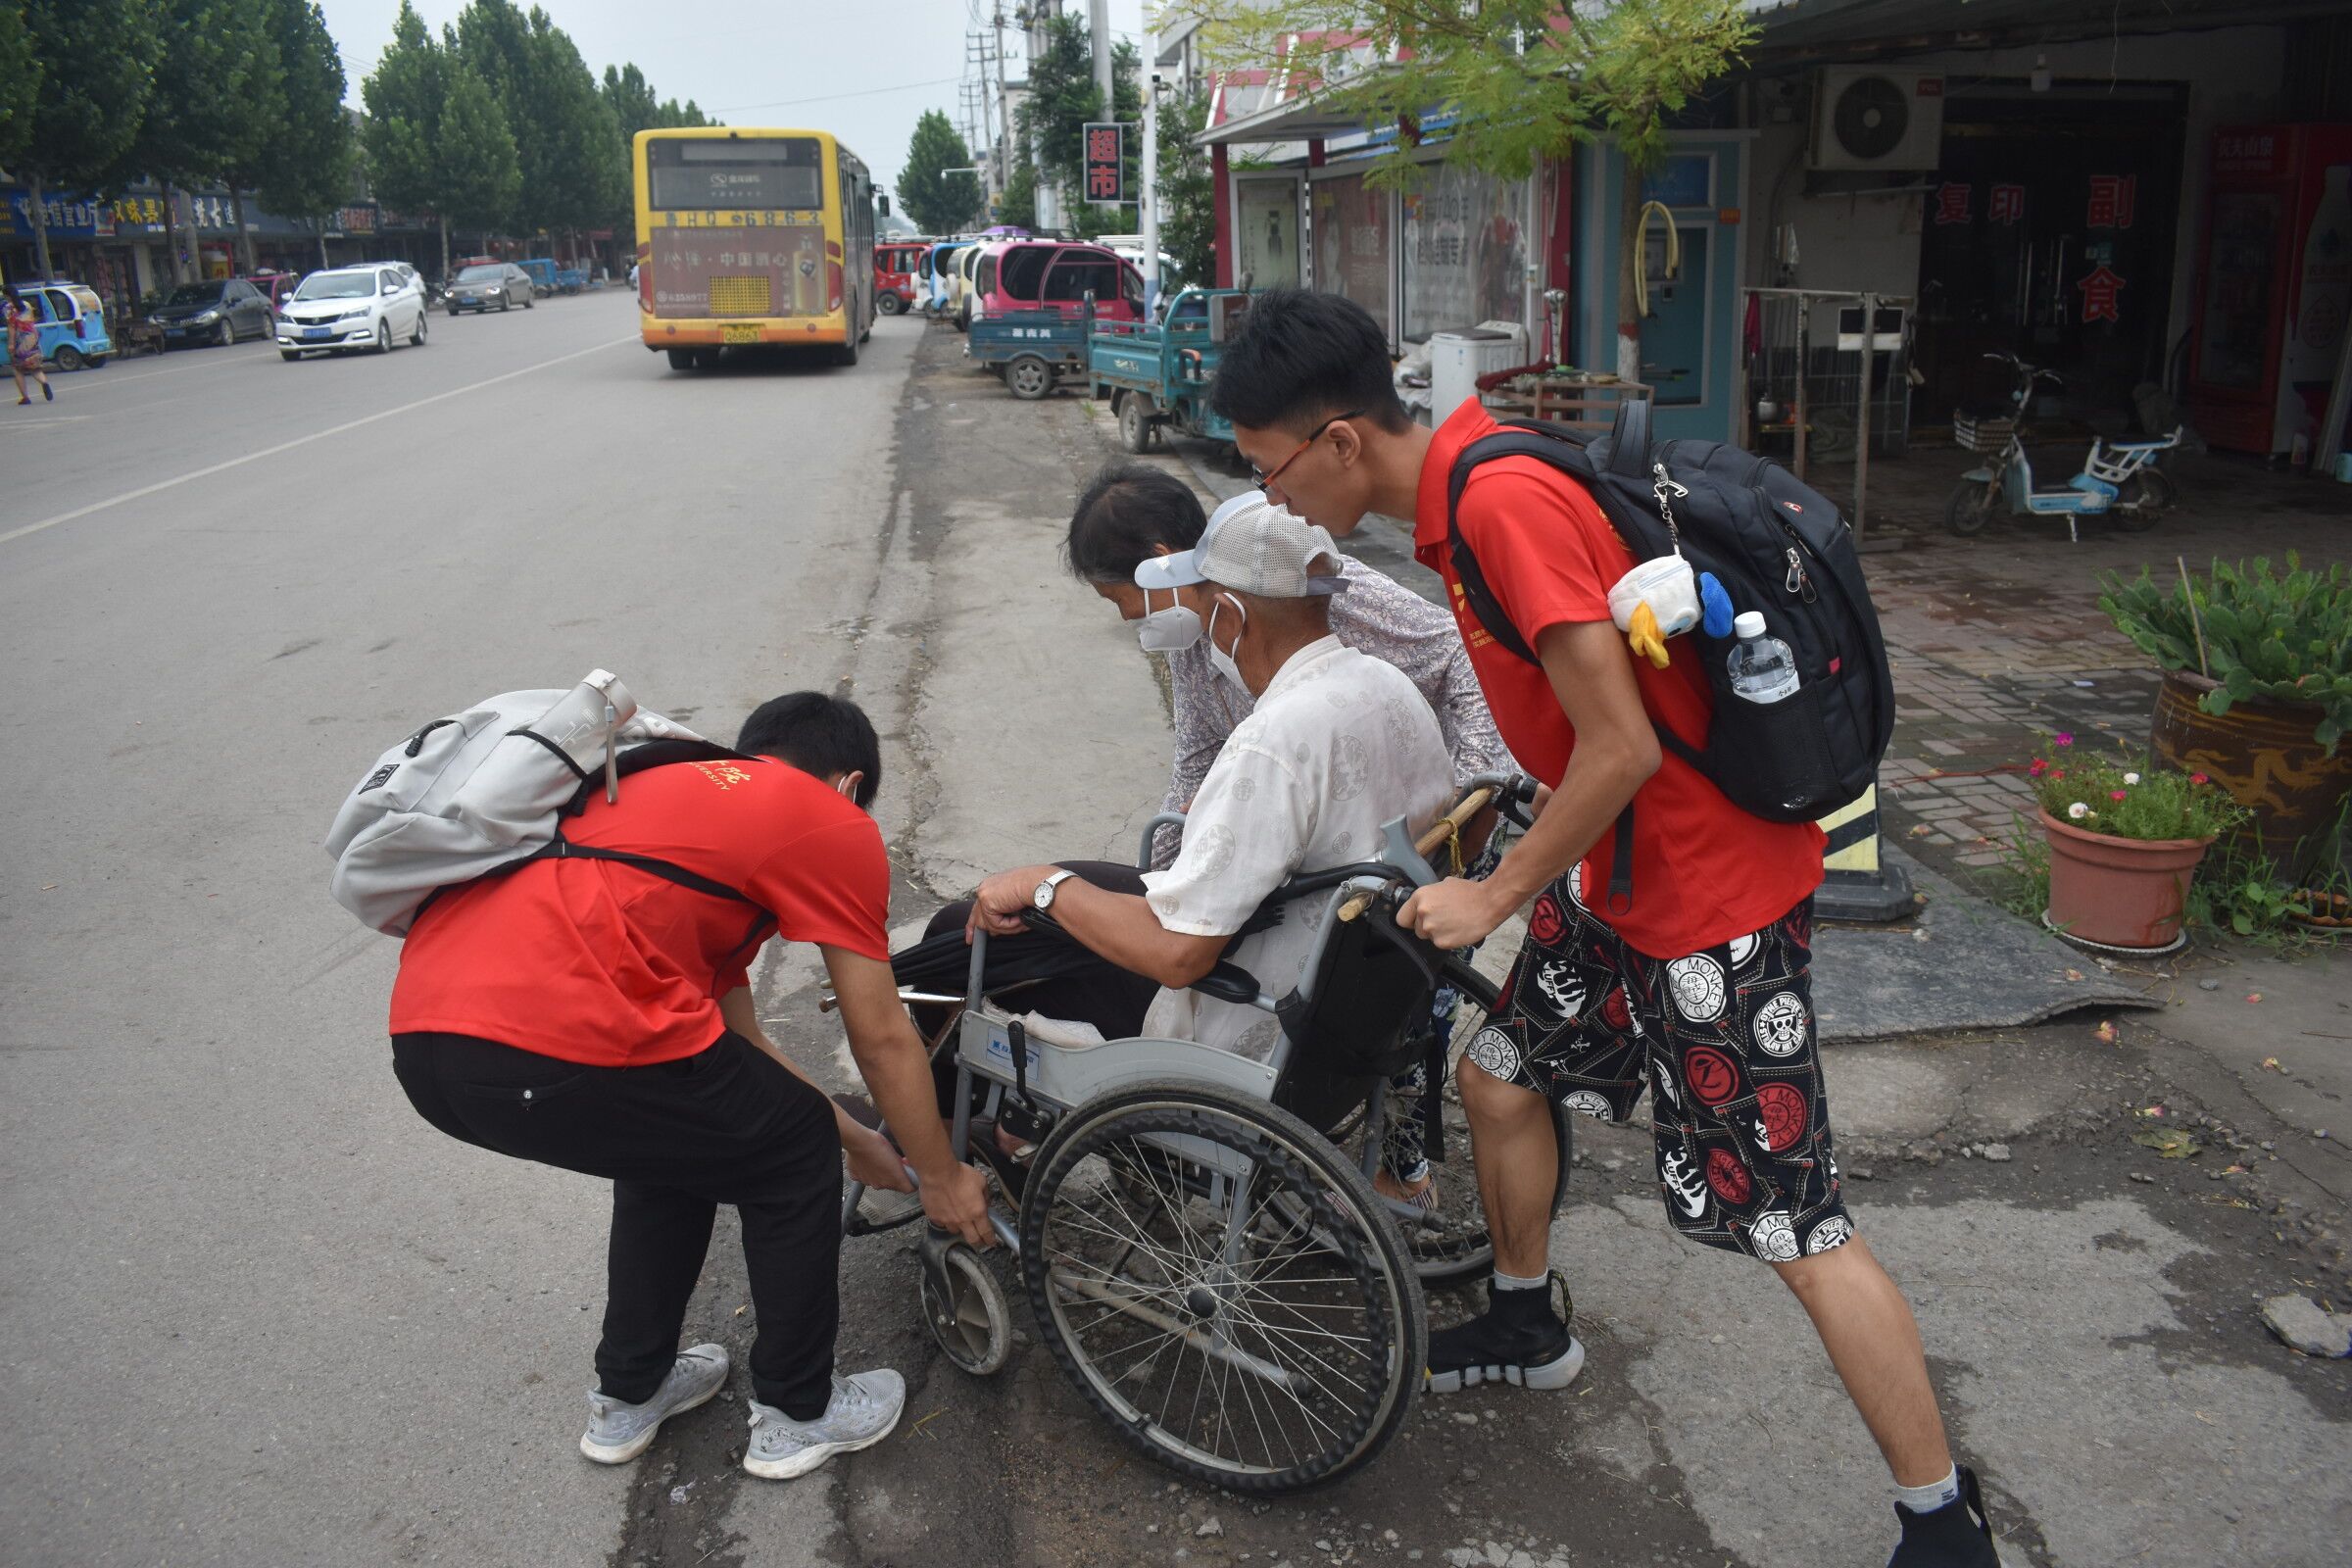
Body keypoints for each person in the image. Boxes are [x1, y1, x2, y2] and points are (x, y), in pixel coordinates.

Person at [1206, 289, 2002, 1568]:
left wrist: (1493, 893)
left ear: (1339, 439)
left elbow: (1622, 745)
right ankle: (1526, 1322)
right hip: (1622, 874)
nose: (1277, 501)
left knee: (1795, 1225)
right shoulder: (1463, 487)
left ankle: (1943, 1520)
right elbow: (1587, 718)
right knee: (1499, 1071)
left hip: (1708, 905)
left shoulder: (1497, 504)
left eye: (1270, 469)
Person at [387, 692, 993, 1484]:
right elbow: (880, 1038)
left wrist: (865, 1144)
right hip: (561, 1043)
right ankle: (799, 1412)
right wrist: (940, 1176)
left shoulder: (652, 794)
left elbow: (740, 1052)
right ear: (849, 785)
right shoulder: (825, 817)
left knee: (680, 1140)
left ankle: (629, 1392)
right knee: (788, 1150)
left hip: (429, 1048)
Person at [1066, 466, 1515, 1201]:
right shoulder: (1202, 629)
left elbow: (1460, 655)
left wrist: (1467, 804)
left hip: (1408, 824)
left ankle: (1401, 1171)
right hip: (1319, 832)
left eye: (1121, 601)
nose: (1126, 621)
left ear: (1159, 562)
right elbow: (1198, 757)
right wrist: (1172, 881)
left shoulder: (1295, 576)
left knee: (1400, 1003)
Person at [964, 497, 1455, 1065]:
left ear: (1230, 614)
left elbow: (1178, 954)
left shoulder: (1272, 741)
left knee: (969, 939)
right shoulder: (1390, 685)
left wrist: (1042, 885)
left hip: (1250, 1018)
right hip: (1349, 1004)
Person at [6, 284, 54, 405]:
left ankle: (25, 397)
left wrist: (11, 343)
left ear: (7, 296)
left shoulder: (9, 308)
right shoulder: (26, 304)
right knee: (35, 367)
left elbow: (11, 327)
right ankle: (44, 382)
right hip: (32, 337)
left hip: (20, 340)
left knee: (18, 369)